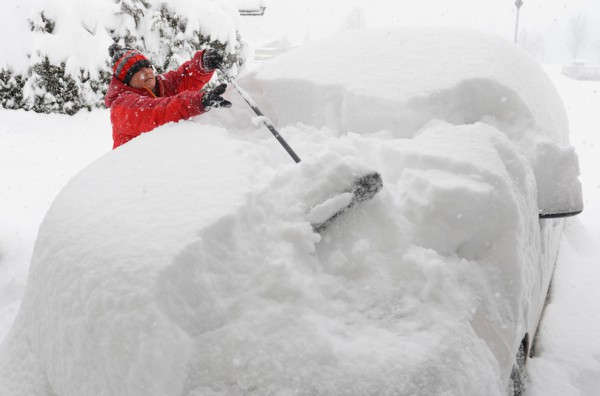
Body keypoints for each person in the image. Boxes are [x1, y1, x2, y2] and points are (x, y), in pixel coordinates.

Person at [104, 43, 231, 149]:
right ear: (127, 81)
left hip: (161, 160)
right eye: (137, 70)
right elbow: (157, 111)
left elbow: (183, 78)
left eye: (148, 66)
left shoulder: (159, 85)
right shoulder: (122, 106)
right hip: (135, 171)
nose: (147, 71)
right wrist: (199, 101)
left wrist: (203, 64)